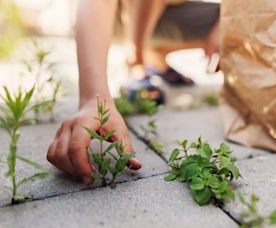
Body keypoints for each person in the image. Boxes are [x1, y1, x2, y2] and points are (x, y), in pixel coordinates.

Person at [46, 0, 220, 184]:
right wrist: (93, 98)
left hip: (171, 16)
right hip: (116, 16)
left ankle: (154, 55)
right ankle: (136, 60)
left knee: (239, 20)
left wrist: (225, 23)